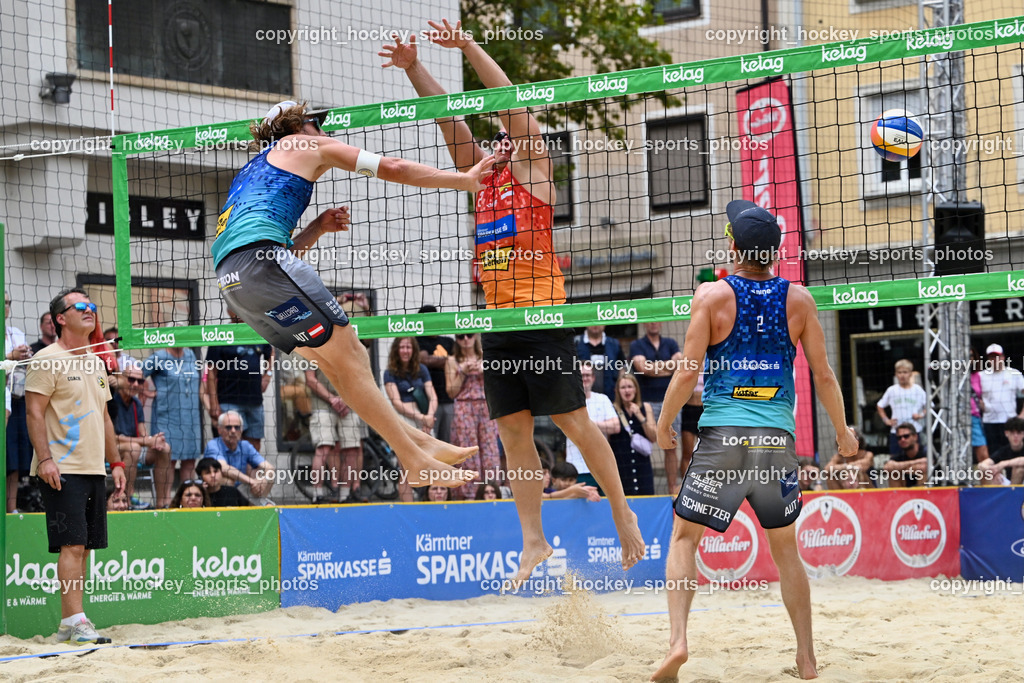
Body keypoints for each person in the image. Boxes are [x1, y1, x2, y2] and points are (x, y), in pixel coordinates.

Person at [382, 19, 644, 583]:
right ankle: (533, 541)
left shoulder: (534, 173)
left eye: (506, 134)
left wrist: (467, 46)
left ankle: (622, 511)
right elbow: (447, 117)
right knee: (512, 433)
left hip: (543, 315)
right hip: (499, 321)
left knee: (572, 420)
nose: (499, 141)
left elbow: (510, 102)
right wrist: (414, 67)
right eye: (494, 138)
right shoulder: (479, 180)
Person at [210, 99, 492, 494]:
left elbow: (270, 253)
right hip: (263, 264)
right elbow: (393, 167)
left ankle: (417, 443)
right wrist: (464, 180)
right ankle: (413, 459)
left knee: (340, 365)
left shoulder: (252, 170)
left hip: (234, 284)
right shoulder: (306, 144)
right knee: (353, 354)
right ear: (299, 126)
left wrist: (317, 228)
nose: (325, 130)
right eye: (318, 122)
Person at [652, 200, 858, 681]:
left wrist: (664, 423)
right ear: (775, 252)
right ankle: (806, 658)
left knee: (684, 538)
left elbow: (688, 372)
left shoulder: (711, 296)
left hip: (724, 436)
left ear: (734, 248)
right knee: (786, 551)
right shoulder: (799, 300)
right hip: (775, 441)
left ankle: (678, 642)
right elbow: (824, 375)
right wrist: (843, 431)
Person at [26, 287, 126, 645]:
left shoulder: (96, 362)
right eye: (80, 305)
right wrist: (46, 460)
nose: (90, 309)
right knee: (71, 545)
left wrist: (116, 461)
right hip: (62, 468)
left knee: (84, 547)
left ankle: (72, 621)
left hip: (94, 467)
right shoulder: (46, 359)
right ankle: (74, 620)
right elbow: (33, 412)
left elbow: (105, 417)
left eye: (92, 305)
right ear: (60, 318)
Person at [203, 311, 273, 451]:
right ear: (229, 311)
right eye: (235, 309)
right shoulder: (221, 333)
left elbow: (270, 353)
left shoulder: (257, 331)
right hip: (229, 400)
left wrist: (267, 375)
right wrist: (213, 403)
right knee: (232, 444)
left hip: (255, 401)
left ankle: (250, 467)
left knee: (254, 445)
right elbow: (211, 371)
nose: (240, 312)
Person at [445, 332, 501, 499]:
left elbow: (499, 383)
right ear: (456, 339)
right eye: (460, 336)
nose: (465, 339)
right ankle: (469, 494)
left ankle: (492, 491)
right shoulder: (452, 360)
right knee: (468, 451)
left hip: (486, 405)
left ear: (475, 336)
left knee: (490, 450)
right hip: (464, 407)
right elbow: (451, 392)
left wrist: (485, 371)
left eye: (469, 335)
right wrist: (462, 372)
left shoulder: (487, 356)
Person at [630, 321, 684, 493]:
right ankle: (642, 489)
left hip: (670, 402)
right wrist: (668, 367)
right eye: (650, 321)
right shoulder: (637, 345)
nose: (653, 323)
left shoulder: (671, 342)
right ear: (644, 324)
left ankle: (672, 489)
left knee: (671, 446)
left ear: (661, 323)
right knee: (644, 444)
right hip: (647, 402)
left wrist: (653, 368)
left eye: (656, 320)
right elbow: (642, 368)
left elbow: (680, 363)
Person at [112, 361, 173, 507]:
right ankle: (126, 501)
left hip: (133, 447)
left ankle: (162, 504)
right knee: (134, 448)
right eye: (131, 379)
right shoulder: (111, 399)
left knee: (164, 448)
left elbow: (143, 435)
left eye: (139, 381)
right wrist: (146, 441)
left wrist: (154, 440)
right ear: (121, 379)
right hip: (111, 449)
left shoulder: (136, 403)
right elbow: (111, 438)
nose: (135, 384)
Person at [305, 364, 368, 503]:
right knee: (323, 447)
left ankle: (345, 495)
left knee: (352, 449)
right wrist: (332, 399)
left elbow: (358, 378)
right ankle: (318, 495)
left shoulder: (349, 350)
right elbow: (310, 379)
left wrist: (345, 400)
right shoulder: (312, 350)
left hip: (349, 404)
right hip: (322, 405)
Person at [384, 337, 436, 502]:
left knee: (431, 464)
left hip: (423, 416)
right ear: (396, 350)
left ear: (413, 350)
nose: (405, 351)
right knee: (405, 468)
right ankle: (409, 508)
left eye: (408, 347)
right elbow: (397, 403)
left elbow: (433, 396)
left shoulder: (422, 369)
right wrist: (422, 418)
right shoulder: (389, 373)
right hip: (403, 420)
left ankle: (429, 503)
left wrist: (429, 417)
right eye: (402, 347)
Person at [142, 345, 202, 484]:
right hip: (167, 417)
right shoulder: (159, 357)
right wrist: (148, 392)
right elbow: (136, 374)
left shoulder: (190, 355)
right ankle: (165, 497)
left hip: (190, 417)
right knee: (168, 459)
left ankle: (187, 495)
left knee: (190, 459)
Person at [563, 363, 620, 492]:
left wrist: (589, 424)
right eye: (582, 375)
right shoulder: (568, 400)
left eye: (588, 375)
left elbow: (616, 426)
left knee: (607, 502)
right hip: (577, 466)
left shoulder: (602, 399)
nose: (585, 378)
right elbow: (572, 427)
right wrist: (601, 426)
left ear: (593, 378)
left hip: (603, 465)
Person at [203, 411, 275, 504]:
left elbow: (269, 467)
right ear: (219, 430)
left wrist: (262, 481)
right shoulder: (213, 445)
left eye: (237, 427)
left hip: (241, 487)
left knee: (269, 475)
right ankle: (228, 509)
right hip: (214, 490)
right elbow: (224, 468)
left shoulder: (245, 445)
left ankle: (256, 507)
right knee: (228, 481)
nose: (233, 431)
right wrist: (252, 481)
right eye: (228, 427)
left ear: (241, 430)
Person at [5, 293, 33, 513]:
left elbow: (21, 361)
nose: (5, 306)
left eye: (8, 302)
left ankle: (11, 508)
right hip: (4, 399)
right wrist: (10, 356)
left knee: (13, 459)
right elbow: (10, 358)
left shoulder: (15, 332)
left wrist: (25, 356)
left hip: (16, 399)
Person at [610, 374, 656, 495]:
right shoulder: (612, 409)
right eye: (623, 387)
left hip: (643, 465)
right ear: (617, 391)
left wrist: (639, 415)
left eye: (630, 387)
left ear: (636, 389)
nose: (627, 391)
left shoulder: (646, 407)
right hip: (621, 465)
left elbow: (653, 437)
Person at [417, 304, 456, 443]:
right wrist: (449, 360)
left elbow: (458, 361)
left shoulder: (448, 341)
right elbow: (424, 360)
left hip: (449, 399)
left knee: (447, 442)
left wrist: (436, 361)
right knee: (430, 441)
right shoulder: (418, 340)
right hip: (428, 402)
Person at [977, 343, 1024, 454]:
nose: (995, 360)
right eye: (992, 357)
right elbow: (974, 395)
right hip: (989, 422)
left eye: (997, 356)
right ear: (988, 359)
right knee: (994, 454)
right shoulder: (981, 376)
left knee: (1012, 452)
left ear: (1003, 357)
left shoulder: (1014, 373)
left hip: (1010, 421)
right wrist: (980, 404)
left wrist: (1022, 414)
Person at [876, 359, 927, 456]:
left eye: (905, 372)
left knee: (916, 457)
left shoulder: (917, 390)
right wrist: (886, 420)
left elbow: (929, 405)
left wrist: (921, 415)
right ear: (896, 374)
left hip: (914, 431)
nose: (902, 375)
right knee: (895, 458)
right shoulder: (891, 390)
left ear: (910, 374)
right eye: (899, 372)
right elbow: (880, 405)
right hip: (896, 432)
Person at [575, 325, 624, 400]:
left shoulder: (614, 344)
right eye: (592, 320)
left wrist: (619, 387)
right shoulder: (576, 343)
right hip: (581, 399)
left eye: (598, 320)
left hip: (611, 397)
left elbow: (623, 369)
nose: (595, 324)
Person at [977, 416, 1024, 486]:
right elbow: (981, 465)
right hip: (1010, 483)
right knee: (986, 472)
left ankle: (1013, 491)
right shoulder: (1004, 450)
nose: (1015, 436)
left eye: (1018, 433)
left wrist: (1003, 464)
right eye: (1012, 433)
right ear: (1006, 433)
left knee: (1018, 469)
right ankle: (990, 492)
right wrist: (993, 470)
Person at [881, 423, 928, 487]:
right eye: (899, 438)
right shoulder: (899, 454)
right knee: (894, 473)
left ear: (915, 437)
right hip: (905, 488)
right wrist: (915, 462)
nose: (902, 439)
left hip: (929, 488)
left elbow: (924, 467)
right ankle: (898, 494)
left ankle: (920, 493)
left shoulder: (926, 451)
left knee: (923, 472)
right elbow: (887, 467)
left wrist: (899, 468)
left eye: (906, 436)